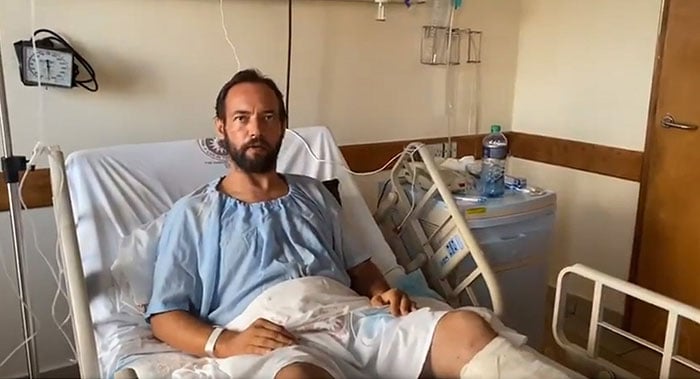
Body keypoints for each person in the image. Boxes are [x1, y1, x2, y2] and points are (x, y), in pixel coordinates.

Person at [145, 69, 571, 379]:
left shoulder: (314, 195)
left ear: (282, 127)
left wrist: (381, 291)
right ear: (222, 128)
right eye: (242, 118)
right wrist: (227, 343)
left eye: (268, 117)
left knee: (466, 327)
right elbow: (164, 315)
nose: (255, 129)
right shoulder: (193, 214)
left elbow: (358, 267)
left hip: (347, 316)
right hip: (270, 333)